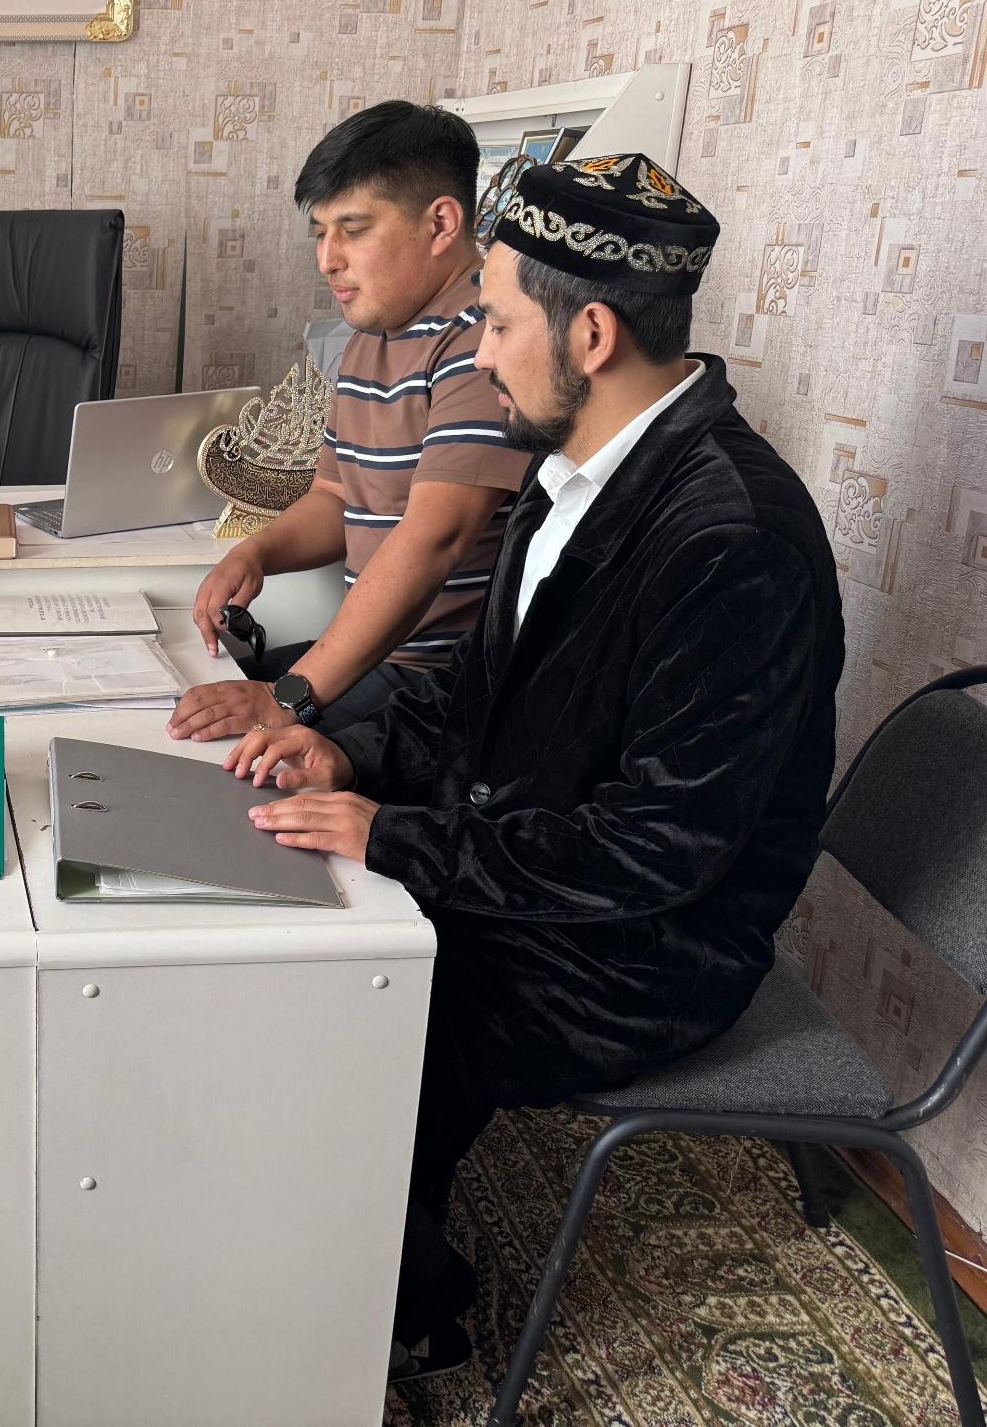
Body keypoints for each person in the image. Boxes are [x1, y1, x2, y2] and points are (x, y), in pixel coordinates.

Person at [223, 154, 845, 1378]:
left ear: (591, 335)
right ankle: (325, 1262)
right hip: (535, 857)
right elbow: (475, 691)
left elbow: (653, 854)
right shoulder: (571, 474)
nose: (481, 350)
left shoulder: (731, 541)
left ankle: (391, 1318)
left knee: (333, 995)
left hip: (639, 953)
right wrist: (342, 747)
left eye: (498, 323)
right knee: (278, 900)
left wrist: (391, 835)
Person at [169, 101, 534, 745]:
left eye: (353, 230)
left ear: (441, 223)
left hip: (440, 687)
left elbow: (436, 540)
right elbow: (336, 497)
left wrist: (289, 696)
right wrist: (256, 553)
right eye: (320, 232)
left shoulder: (482, 340)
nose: (327, 259)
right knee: (181, 699)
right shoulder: (372, 334)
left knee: (229, 749)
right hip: (376, 660)